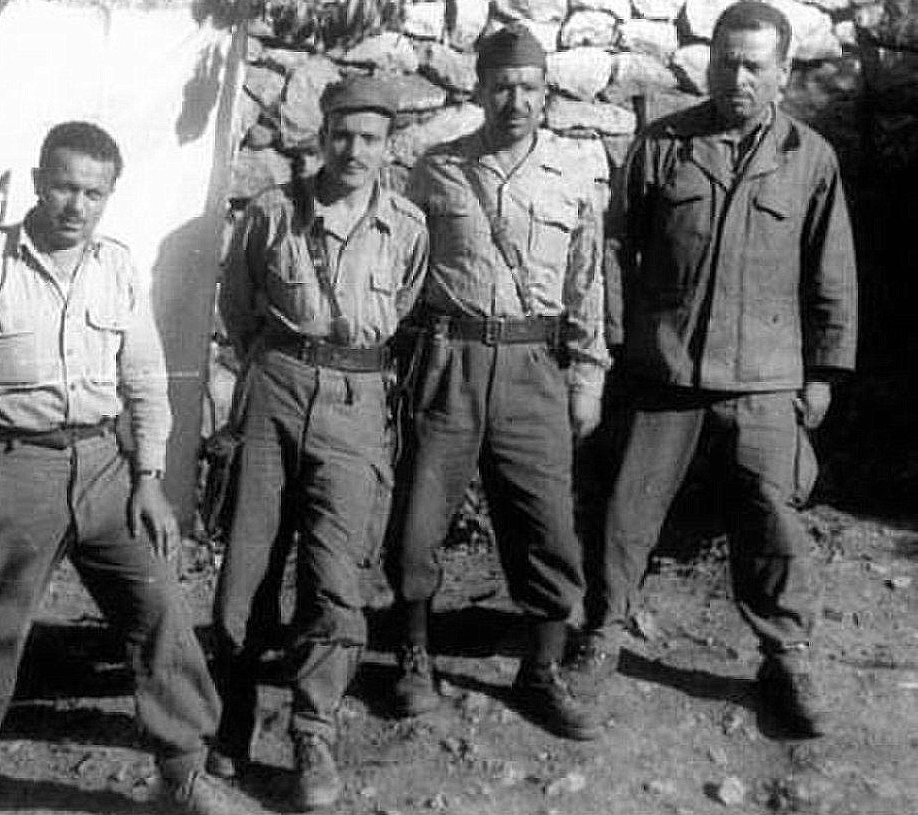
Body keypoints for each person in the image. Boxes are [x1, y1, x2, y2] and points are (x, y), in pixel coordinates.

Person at [0, 122, 255, 815]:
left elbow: (143, 378)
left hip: (106, 465)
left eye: (93, 193)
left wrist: (148, 478)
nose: (77, 204)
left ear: (109, 196)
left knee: (159, 607)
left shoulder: (117, 267)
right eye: (66, 187)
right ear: (40, 180)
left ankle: (183, 771)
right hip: (12, 465)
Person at [571, 2, 857, 738]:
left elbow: (832, 273)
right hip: (664, 369)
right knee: (626, 511)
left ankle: (786, 652)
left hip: (765, 376)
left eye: (755, 63)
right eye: (726, 59)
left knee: (773, 516)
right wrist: (618, 340)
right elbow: (613, 248)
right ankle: (603, 631)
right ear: (710, 61)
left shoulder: (809, 158)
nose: (737, 75)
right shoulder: (664, 145)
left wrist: (822, 371)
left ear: (784, 72)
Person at [384, 26, 609, 740]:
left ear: (548, 95)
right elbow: (404, 270)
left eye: (530, 89)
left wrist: (589, 375)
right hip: (448, 359)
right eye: (503, 87)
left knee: (545, 521)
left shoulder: (572, 177)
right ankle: (413, 657)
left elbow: (589, 283)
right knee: (419, 518)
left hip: (533, 366)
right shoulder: (437, 169)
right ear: (479, 90)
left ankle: (540, 671)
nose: (516, 101)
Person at [211, 76, 428, 811]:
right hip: (276, 385)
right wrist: (271, 370)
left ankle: (314, 727)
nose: (354, 151)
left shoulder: (407, 225)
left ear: (388, 145)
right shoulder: (275, 212)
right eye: (342, 135)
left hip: (357, 399)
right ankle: (230, 719)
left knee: (338, 573)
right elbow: (238, 304)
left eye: (370, 138)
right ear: (322, 134)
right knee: (249, 563)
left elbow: (402, 306)